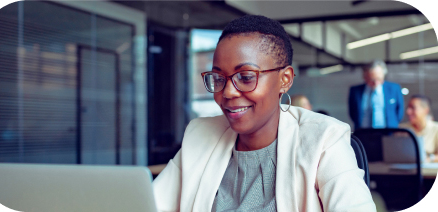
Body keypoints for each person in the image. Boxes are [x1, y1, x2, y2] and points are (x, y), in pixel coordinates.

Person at [153, 15, 375, 212]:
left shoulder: (324, 139)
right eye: (219, 78)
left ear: (285, 80)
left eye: (246, 77)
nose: (228, 92)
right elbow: (150, 204)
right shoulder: (200, 134)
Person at [348, 60, 404, 129]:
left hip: (388, 133)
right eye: (372, 80)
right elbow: (353, 113)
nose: (376, 83)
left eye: (379, 79)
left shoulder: (394, 88)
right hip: (363, 132)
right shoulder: (355, 91)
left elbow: (399, 112)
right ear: (365, 77)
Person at [400, 95, 438, 162]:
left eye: (413, 108)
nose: (408, 112)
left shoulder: (436, 129)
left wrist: (429, 159)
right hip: (404, 170)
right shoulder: (402, 129)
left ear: (426, 110)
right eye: (408, 108)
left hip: (429, 171)